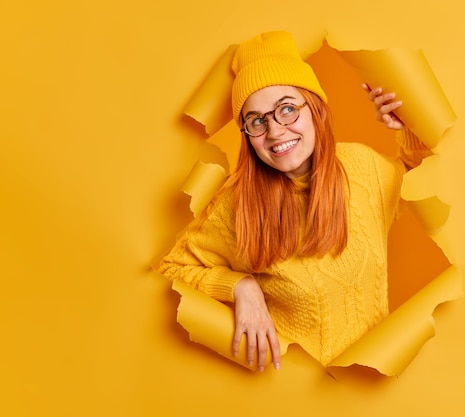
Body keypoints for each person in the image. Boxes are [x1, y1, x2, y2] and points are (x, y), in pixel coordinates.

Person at [158, 31, 431, 372]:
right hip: (291, 398)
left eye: (287, 109)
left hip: (373, 387)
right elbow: (172, 271)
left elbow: (422, 175)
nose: (274, 132)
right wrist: (240, 287)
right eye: (257, 120)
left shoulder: (362, 168)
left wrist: (405, 127)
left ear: (315, 109)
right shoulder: (237, 204)